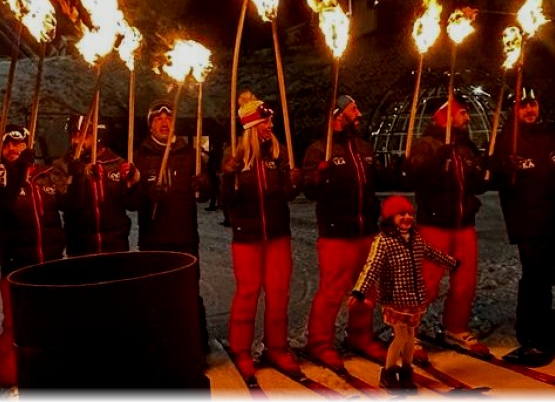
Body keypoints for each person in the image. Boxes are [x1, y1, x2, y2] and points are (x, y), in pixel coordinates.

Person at [490, 88, 555, 366]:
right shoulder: (507, 140)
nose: (529, 110)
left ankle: (542, 320)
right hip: (527, 220)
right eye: (522, 106)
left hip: (553, 218)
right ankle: (530, 331)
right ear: (513, 110)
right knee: (535, 276)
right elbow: (493, 174)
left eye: (532, 104)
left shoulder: (551, 137)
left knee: (548, 275)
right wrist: (502, 167)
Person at [303, 95, 387, 368]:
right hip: (337, 233)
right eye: (353, 109)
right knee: (332, 290)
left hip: (367, 230)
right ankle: (319, 343)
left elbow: (379, 181)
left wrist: (400, 170)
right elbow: (310, 189)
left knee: (366, 289)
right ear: (338, 115)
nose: (359, 113)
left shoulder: (362, 147)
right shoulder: (320, 149)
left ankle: (360, 336)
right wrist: (317, 177)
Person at [221, 99, 302, 380]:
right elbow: (227, 201)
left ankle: (276, 347)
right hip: (247, 237)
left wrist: (293, 180)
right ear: (252, 126)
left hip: (278, 235)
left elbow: (287, 196)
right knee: (247, 293)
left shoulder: (278, 154)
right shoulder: (236, 157)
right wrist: (226, 177)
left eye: (270, 121)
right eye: (264, 122)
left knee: (278, 293)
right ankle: (240, 349)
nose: (270, 126)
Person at [0, 124, 66, 391]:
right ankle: (7, 380)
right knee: (15, 326)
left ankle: (48, 376)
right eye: (8, 145)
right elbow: (4, 201)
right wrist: (18, 170)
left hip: (49, 264)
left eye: (19, 144)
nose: (14, 149)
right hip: (18, 267)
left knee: (51, 324)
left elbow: (70, 202)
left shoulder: (45, 175)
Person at [406, 96, 490, 355]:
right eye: (462, 113)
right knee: (428, 282)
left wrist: (490, 169)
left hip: (464, 223)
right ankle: (408, 331)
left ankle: (455, 327)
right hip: (435, 223)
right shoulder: (427, 144)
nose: (467, 117)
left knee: (465, 282)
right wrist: (436, 160)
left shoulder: (466, 148)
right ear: (445, 117)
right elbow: (415, 175)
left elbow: (476, 184)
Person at [131, 98, 212, 359]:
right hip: (154, 240)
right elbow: (129, 202)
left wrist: (206, 184)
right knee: (156, 298)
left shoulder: (189, 154)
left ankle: (194, 348)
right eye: (158, 118)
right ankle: (158, 350)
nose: (164, 122)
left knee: (188, 295)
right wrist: (145, 194)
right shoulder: (140, 157)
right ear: (150, 125)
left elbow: (207, 195)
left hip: (185, 238)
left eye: (168, 117)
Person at [350, 195, 457, 390]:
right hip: (395, 298)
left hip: (414, 297)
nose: (407, 217)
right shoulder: (384, 241)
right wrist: (359, 291)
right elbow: (372, 266)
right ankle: (388, 371)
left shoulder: (415, 238)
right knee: (400, 336)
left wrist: (451, 262)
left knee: (409, 336)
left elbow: (430, 252)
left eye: (409, 214)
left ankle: (406, 371)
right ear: (391, 218)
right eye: (401, 214)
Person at [59, 113, 138, 256]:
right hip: (81, 249)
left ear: (96, 136)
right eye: (73, 135)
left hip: (115, 247)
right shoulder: (63, 166)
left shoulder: (116, 164)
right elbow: (67, 205)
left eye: (83, 135)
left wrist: (133, 180)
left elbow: (132, 204)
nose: (76, 141)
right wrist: (77, 178)